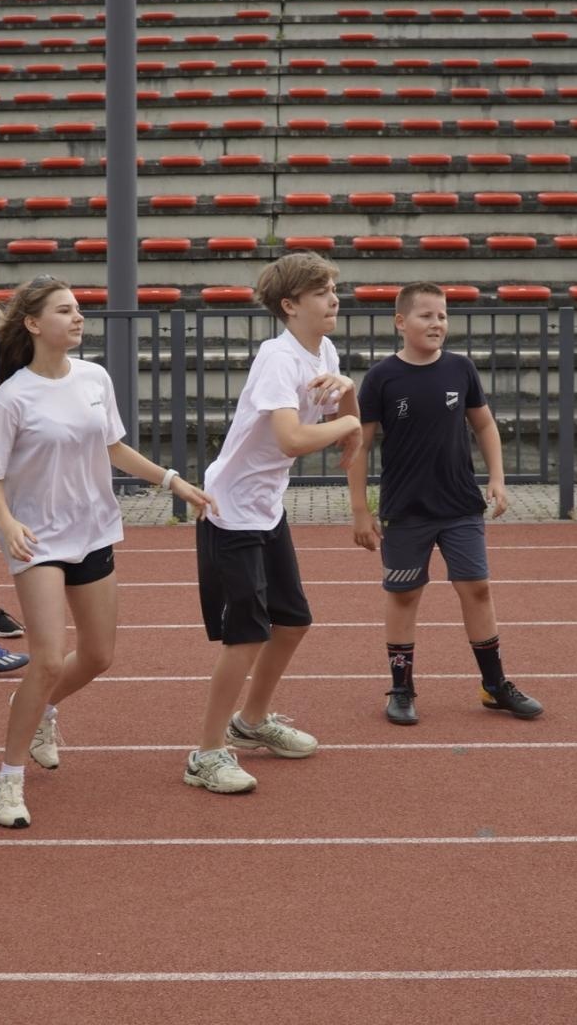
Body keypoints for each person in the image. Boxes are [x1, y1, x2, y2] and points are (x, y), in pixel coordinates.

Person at [0, 276, 213, 828]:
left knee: (99, 654)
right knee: (47, 656)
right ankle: (8, 780)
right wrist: (8, 522)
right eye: (65, 310)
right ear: (34, 324)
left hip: (93, 530)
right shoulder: (11, 397)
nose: (79, 318)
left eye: (79, 309)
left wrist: (172, 481)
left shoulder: (94, 378)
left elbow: (114, 447)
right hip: (36, 538)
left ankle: (36, 708)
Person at [184, 252, 362, 794]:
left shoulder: (322, 349)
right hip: (230, 511)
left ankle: (252, 722)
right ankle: (206, 753)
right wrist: (352, 421)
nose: (334, 297)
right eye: (321, 291)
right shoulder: (276, 358)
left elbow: (337, 408)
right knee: (245, 636)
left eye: (333, 287)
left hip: (266, 507)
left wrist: (348, 394)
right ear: (290, 305)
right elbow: (292, 438)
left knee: (293, 620)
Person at [346, 281, 542, 725]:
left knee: (477, 588)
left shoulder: (461, 369)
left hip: (460, 507)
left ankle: (494, 686)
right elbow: (357, 445)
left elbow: (485, 425)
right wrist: (361, 509)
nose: (437, 323)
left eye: (443, 316)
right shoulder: (381, 378)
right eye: (426, 315)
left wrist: (497, 477)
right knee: (405, 596)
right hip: (406, 509)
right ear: (401, 322)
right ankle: (401, 688)